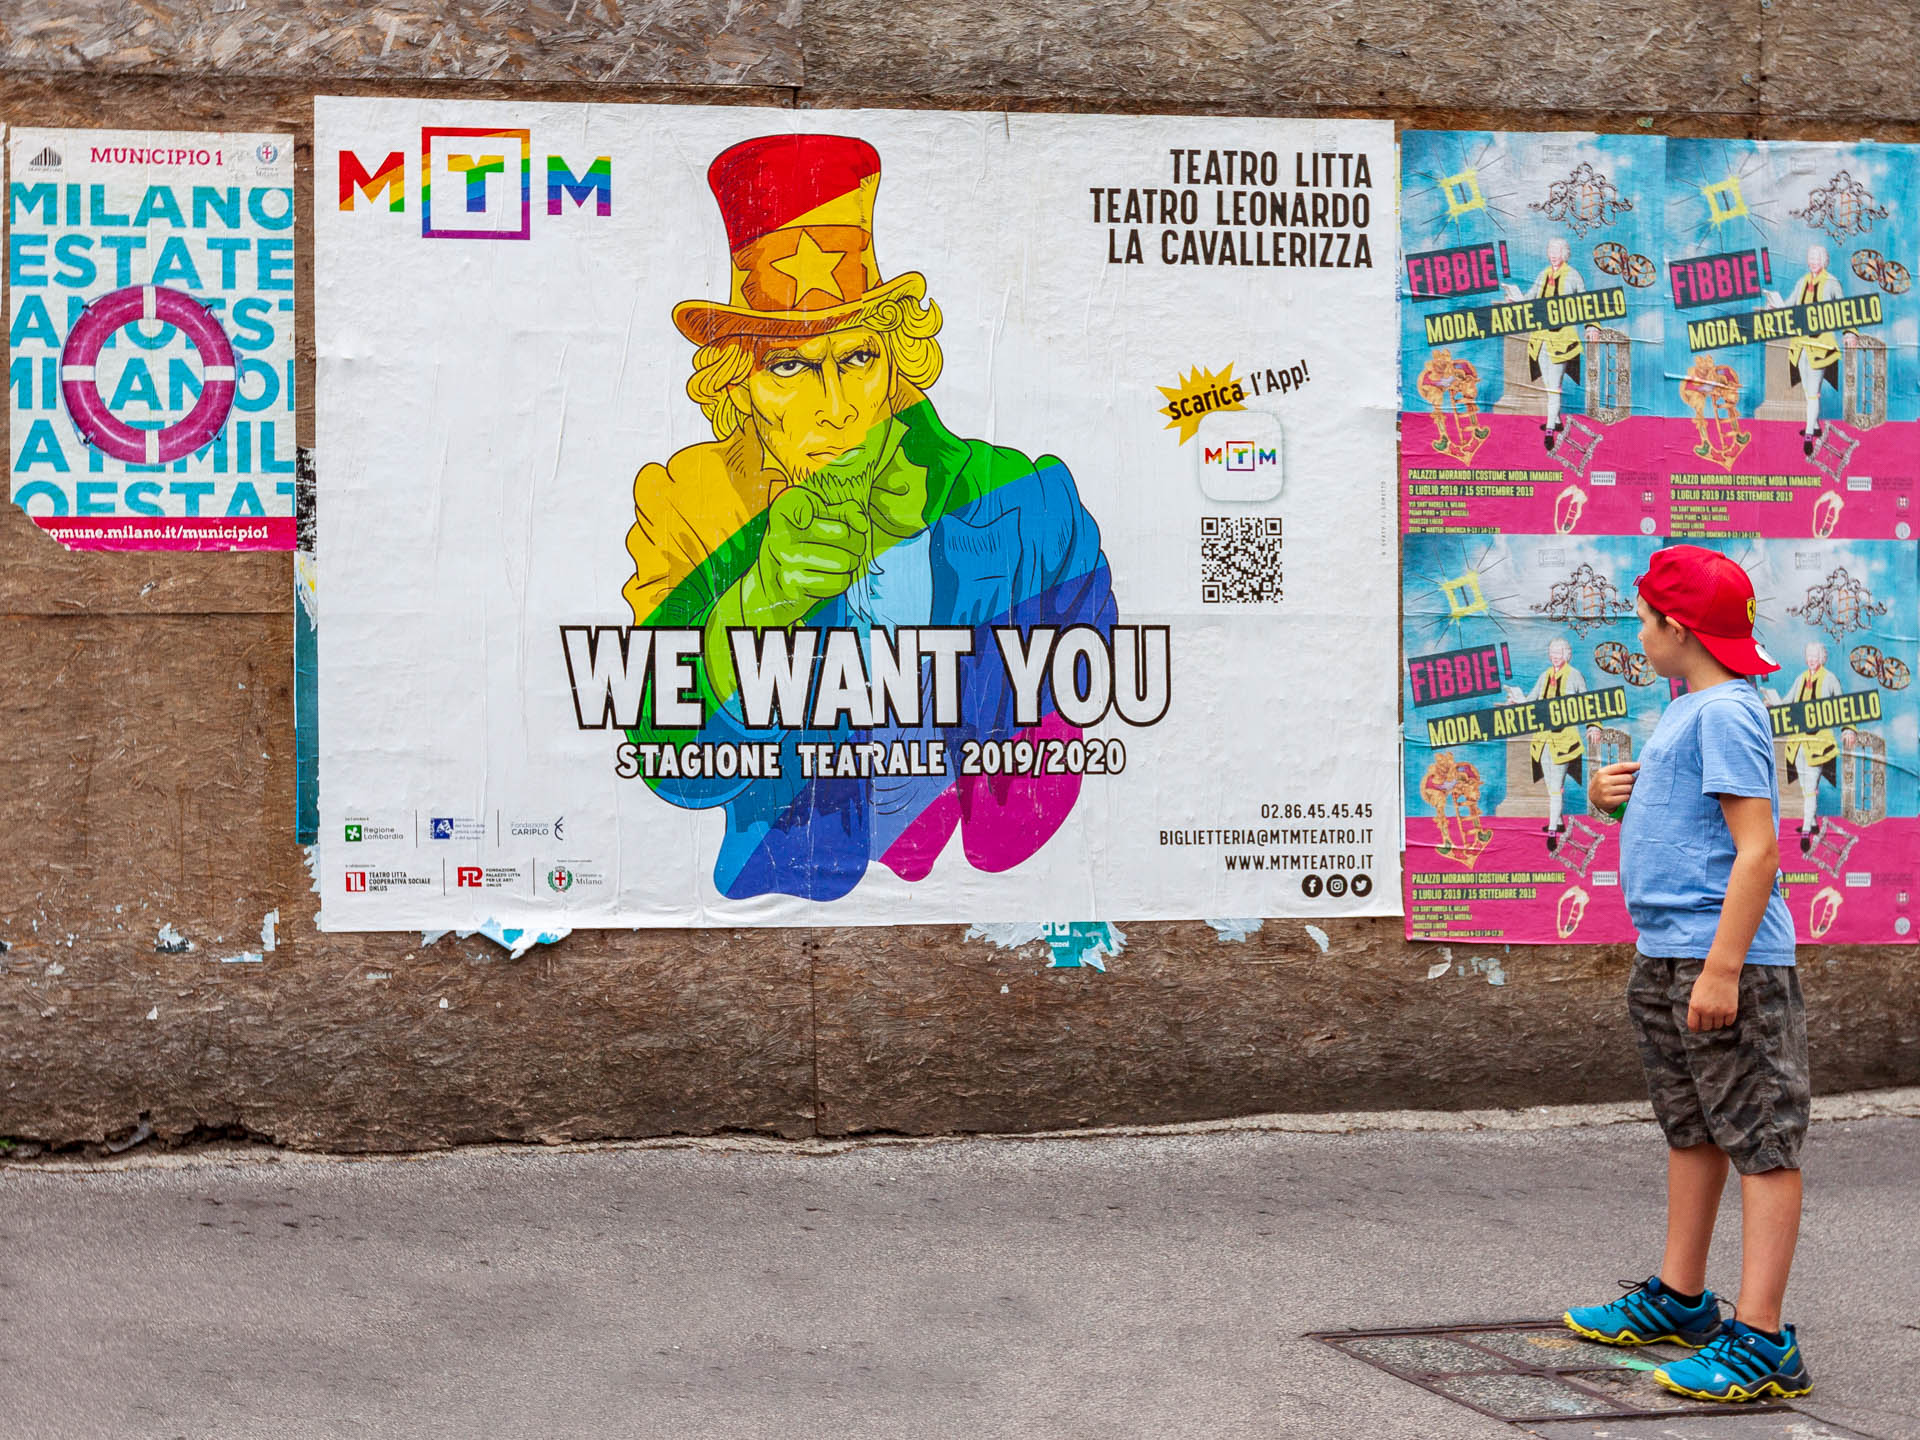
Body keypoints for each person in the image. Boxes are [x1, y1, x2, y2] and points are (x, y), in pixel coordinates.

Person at [622, 133, 1116, 902]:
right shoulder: (689, 504)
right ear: (738, 386)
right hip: (795, 873)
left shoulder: (1019, 494)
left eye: (856, 359)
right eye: (789, 367)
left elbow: (1087, 683)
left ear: (895, 363)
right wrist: (756, 607)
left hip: (988, 871)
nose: (835, 407)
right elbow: (671, 767)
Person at [1564, 545, 1811, 1404]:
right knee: (1694, 1129)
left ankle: (1764, 1340)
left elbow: (1758, 851)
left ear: (1678, 628)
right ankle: (1680, 1298)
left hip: (1722, 961)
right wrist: (1612, 799)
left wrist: (1723, 969)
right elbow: (1688, 827)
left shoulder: (1727, 713)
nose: (1637, 634)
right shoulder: (1688, 709)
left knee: (1761, 1140)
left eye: (1644, 620)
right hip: (1669, 952)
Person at [1504, 637, 1601, 852]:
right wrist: (1516, 700)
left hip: (1564, 742)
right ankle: (1558, 822)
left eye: (1558, 652)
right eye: (1552, 652)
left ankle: (1551, 833)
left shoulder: (1575, 675)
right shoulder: (1545, 675)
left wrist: (1594, 725)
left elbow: (1589, 702)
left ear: (1567, 654)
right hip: (1543, 741)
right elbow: (1531, 699)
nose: (1554, 656)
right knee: (1552, 788)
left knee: (1556, 788)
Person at [1515, 238, 1601, 453]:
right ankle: (1557, 420)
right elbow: (1530, 297)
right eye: (1550, 250)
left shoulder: (1573, 275)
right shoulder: (1543, 274)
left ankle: (1550, 430)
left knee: (1554, 388)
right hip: (1540, 340)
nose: (1553, 254)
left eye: (1557, 251)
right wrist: (1515, 299)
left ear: (1565, 253)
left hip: (1562, 341)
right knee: (1550, 387)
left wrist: (1592, 325)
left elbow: (1586, 302)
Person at [1768, 641, 1855, 852]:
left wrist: (1848, 729)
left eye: (1815, 656)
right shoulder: (1801, 679)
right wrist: (1771, 704)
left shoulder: (1830, 679)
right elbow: (1787, 701)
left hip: (1818, 745)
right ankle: (1813, 822)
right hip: (1798, 744)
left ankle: (1806, 830)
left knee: (1809, 789)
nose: (1812, 660)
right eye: (1809, 656)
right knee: (1805, 788)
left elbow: (1843, 704)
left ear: (1822, 658)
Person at [1776, 244, 1857, 458]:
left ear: (1824, 260)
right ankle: (1815, 425)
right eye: (1811, 257)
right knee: (1808, 392)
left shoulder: (1832, 283)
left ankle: (1809, 435)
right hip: (1800, 345)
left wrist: (1850, 332)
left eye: (1817, 258)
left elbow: (1845, 309)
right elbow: (1789, 304)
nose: (1813, 261)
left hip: (1820, 348)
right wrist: (1775, 306)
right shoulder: (1802, 281)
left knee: (1813, 393)